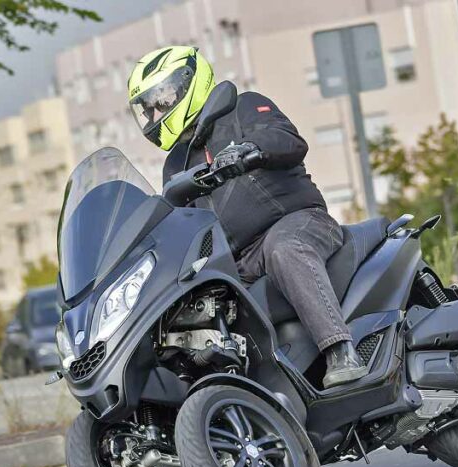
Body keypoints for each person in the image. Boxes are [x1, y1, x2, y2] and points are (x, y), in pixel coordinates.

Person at [127, 46, 367, 388]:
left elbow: (287, 139)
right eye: (146, 109)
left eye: (160, 100)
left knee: (284, 248)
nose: (154, 114)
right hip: (237, 258)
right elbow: (179, 221)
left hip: (299, 222)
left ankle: (340, 350)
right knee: (192, 303)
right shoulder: (175, 163)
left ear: (187, 84)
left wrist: (250, 149)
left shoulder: (244, 107)